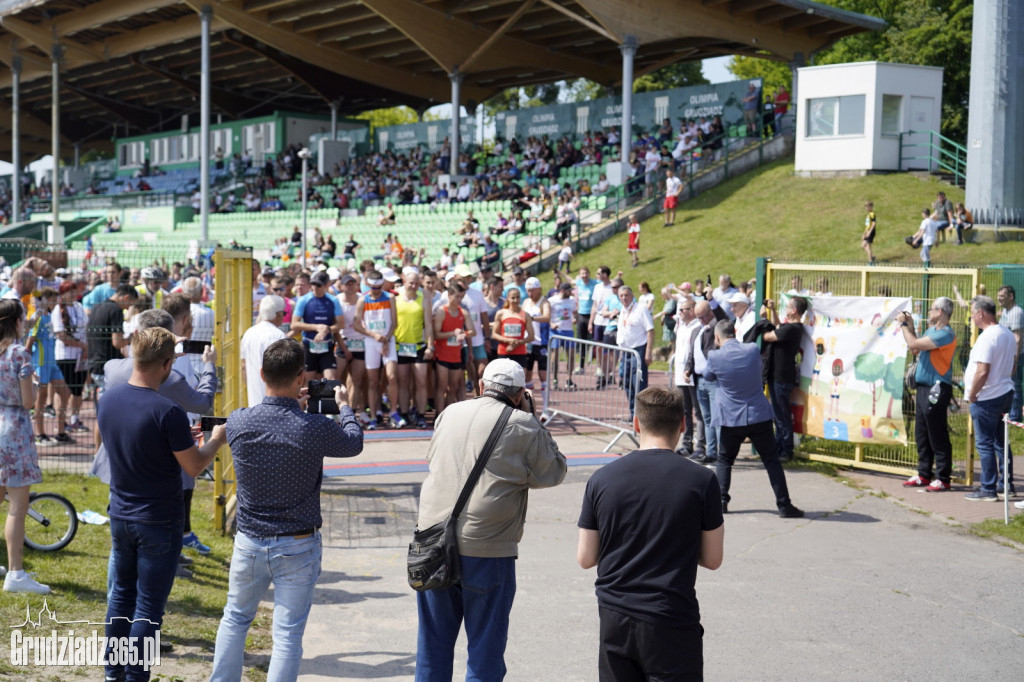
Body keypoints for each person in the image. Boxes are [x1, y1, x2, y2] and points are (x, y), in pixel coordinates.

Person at [210, 339, 362, 681]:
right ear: (301, 377)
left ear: (262, 374)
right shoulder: (316, 427)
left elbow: (275, 425)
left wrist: (294, 407)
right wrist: (345, 408)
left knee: (235, 618)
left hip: (250, 540)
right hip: (298, 543)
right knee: (287, 634)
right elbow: (353, 443)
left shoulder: (238, 422)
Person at [415, 359, 566, 680]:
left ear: (481, 387)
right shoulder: (523, 424)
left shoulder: (449, 413)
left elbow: (434, 459)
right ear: (519, 394)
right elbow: (553, 472)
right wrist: (534, 418)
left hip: (433, 542)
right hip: (487, 548)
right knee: (484, 653)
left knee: (432, 648)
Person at [100, 327, 228, 682]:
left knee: (121, 599)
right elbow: (194, 465)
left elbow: (136, 443)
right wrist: (215, 440)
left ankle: (114, 674)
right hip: (158, 519)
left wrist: (179, 441)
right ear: (167, 363)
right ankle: (136, 676)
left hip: (121, 513)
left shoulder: (107, 399)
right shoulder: (168, 410)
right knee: (148, 608)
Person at [577, 386, 723, 679]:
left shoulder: (601, 478)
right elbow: (712, 558)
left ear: (636, 423)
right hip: (670, 615)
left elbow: (586, 557)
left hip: (615, 615)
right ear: (683, 424)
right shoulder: (702, 480)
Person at [705, 319, 804, 517]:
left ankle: (722, 501)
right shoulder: (751, 350)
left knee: (725, 460)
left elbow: (708, 377)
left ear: (717, 337)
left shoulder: (714, 356)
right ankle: (784, 505)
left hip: (731, 417)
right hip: (758, 415)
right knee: (771, 461)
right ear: (734, 332)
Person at [0, 299, 49, 593]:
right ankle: (16, 574)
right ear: (18, 322)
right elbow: (28, 402)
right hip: (14, 430)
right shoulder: (19, 352)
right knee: (17, 507)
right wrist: (37, 384)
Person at [896, 298, 957, 491]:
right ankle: (924, 473)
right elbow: (914, 348)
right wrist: (911, 326)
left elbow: (912, 342)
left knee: (936, 431)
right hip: (923, 387)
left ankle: (943, 477)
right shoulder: (932, 331)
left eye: (931, 309)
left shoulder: (946, 334)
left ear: (939, 311)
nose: (929, 312)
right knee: (921, 431)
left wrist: (904, 325)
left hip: (937, 387)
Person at [963, 296, 1017, 501]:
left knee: (985, 443)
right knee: (1001, 442)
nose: (971, 317)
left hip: (986, 396)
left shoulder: (987, 336)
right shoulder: (1007, 333)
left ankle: (988, 489)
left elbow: (982, 370)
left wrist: (973, 394)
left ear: (981, 313)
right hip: (1004, 392)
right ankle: (1006, 485)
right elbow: (1012, 366)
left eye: (972, 313)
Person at [760, 296, 808, 463]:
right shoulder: (790, 328)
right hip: (778, 376)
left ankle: (785, 450)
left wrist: (762, 321)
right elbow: (778, 326)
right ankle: (780, 448)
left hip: (781, 377)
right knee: (778, 415)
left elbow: (769, 336)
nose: (785, 309)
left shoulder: (793, 329)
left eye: (787, 307)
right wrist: (772, 311)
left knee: (782, 415)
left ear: (794, 310)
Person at [353, 270, 401, 429]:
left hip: (388, 339)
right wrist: (373, 335)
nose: (377, 290)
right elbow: (356, 325)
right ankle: (373, 416)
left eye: (379, 287)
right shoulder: (363, 300)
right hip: (371, 342)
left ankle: (393, 412)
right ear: (369, 285)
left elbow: (394, 322)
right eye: (374, 288)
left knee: (392, 376)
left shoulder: (390, 298)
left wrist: (386, 339)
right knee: (373, 381)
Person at [27, 288, 73, 445]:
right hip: (40, 362)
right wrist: (29, 366)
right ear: (45, 300)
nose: (55, 302)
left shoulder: (51, 317)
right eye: (52, 299)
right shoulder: (38, 317)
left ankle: (60, 431)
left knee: (65, 392)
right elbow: (29, 341)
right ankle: (40, 434)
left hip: (52, 362)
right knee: (41, 399)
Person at [292, 270, 343, 383]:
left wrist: (326, 330)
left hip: (327, 345)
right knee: (309, 381)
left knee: (331, 379)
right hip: (309, 344)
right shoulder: (304, 300)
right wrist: (316, 327)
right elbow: (294, 323)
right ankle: (309, 401)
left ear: (326, 285)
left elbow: (340, 324)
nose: (315, 287)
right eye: (313, 284)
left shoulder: (333, 301)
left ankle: (329, 401)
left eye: (319, 285)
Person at [52, 280, 88, 433]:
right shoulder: (57, 310)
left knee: (78, 389)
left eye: (74, 291)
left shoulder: (79, 307)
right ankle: (61, 422)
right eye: (69, 291)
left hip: (81, 356)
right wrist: (82, 346)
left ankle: (75, 418)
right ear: (63, 293)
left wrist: (86, 348)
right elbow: (61, 336)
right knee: (65, 391)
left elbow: (87, 328)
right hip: (65, 356)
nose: (73, 294)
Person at [433, 281, 474, 413]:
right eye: (457, 297)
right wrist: (452, 333)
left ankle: (449, 415)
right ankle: (439, 415)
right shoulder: (441, 311)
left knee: (454, 387)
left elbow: (473, 331)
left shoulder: (463, 312)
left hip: (456, 356)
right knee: (442, 386)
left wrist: (464, 333)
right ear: (449, 295)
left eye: (461, 297)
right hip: (443, 354)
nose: (459, 300)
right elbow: (436, 334)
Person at [616, 285, 655, 421]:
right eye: (621, 296)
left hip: (638, 350)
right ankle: (633, 414)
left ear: (632, 295)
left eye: (626, 295)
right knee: (627, 384)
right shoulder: (623, 310)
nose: (624, 298)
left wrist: (648, 353)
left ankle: (642, 415)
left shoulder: (640, 309)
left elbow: (650, 331)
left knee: (638, 383)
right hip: (626, 351)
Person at [240, 296, 287, 407]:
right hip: (276, 402)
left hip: (254, 401)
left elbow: (243, 367)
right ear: (278, 315)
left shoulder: (248, 333)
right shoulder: (279, 335)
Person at [997, 285, 1024, 423]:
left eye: (1002, 296)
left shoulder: (1016, 312)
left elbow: (1017, 338)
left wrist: (1015, 359)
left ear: (1011, 296)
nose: (998, 298)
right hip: (1008, 355)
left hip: (1016, 354)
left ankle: (1015, 418)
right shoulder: (1006, 311)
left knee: (1015, 385)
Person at [491, 287, 534, 369]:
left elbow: (531, 336)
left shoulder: (526, 315)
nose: (515, 300)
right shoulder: (501, 313)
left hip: (520, 352)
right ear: (508, 298)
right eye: (513, 298)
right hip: (504, 351)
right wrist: (508, 340)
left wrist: (517, 343)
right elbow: (494, 334)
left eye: (518, 297)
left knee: (520, 379)